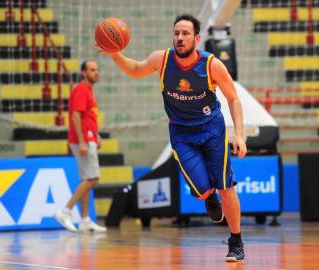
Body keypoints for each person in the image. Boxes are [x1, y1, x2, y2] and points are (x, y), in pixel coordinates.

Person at [100, 14, 247, 261]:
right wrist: (115, 54)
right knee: (202, 191)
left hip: (212, 130)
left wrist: (239, 134)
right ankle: (207, 196)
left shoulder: (212, 64)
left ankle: (236, 241)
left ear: (197, 39)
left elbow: (233, 98)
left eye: (185, 33)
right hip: (181, 133)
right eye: (176, 33)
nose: (180, 38)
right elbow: (136, 70)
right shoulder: (163, 59)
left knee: (225, 186)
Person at [54, 60, 107, 233]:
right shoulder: (81, 89)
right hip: (82, 140)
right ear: (83, 73)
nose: (96, 72)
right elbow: (75, 117)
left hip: (88, 137)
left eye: (97, 69)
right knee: (93, 178)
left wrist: (95, 135)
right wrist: (82, 140)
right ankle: (65, 211)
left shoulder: (88, 91)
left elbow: (87, 118)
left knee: (87, 178)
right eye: (92, 69)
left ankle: (84, 220)